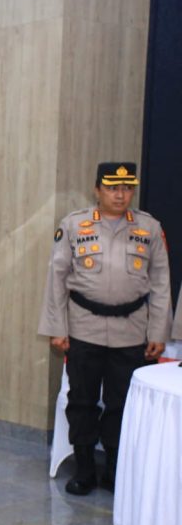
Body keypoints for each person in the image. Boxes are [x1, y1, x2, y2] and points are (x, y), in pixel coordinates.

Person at [39, 162, 171, 495]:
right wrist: (57, 327)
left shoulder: (149, 227)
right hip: (84, 327)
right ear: (97, 190)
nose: (120, 195)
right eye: (112, 188)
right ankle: (84, 468)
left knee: (121, 403)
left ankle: (114, 468)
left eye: (127, 188)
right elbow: (56, 280)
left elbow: (161, 283)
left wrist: (158, 332)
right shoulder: (74, 225)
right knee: (81, 400)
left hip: (132, 330)